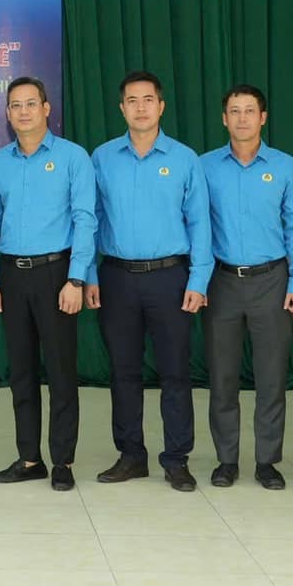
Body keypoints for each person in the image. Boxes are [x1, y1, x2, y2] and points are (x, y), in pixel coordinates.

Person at [88, 71, 212, 491]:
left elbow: (199, 223)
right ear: (121, 108)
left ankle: (176, 459)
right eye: (132, 101)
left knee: (175, 372)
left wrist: (198, 279)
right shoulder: (102, 158)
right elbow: (91, 219)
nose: (140, 108)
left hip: (171, 278)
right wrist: (88, 274)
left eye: (148, 100)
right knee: (123, 371)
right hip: (116, 277)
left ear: (161, 106)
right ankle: (131, 455)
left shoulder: (184, 159)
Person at [0, 76, 96, 492]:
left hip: (57, 274)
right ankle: (29, 458)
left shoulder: (73, 157)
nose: (23, 111)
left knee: (61, 372)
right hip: (11, 275)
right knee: (21, 371)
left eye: (31, 103)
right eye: (16, 105)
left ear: (47, 109)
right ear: (7, 114)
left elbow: (85, 219)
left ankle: (63, 460)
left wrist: (76, 278)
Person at [200, 85, 293, 490]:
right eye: (234, 111)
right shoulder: (205, 167)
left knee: (271, 377)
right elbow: (196, 225)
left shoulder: (284, 167)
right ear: (223, 118)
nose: (242, 118)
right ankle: (226, 460)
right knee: (222, 377)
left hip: (272, 281)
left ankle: (267, 461)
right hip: (222, 281)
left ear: (263, 117)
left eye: (250, 111)